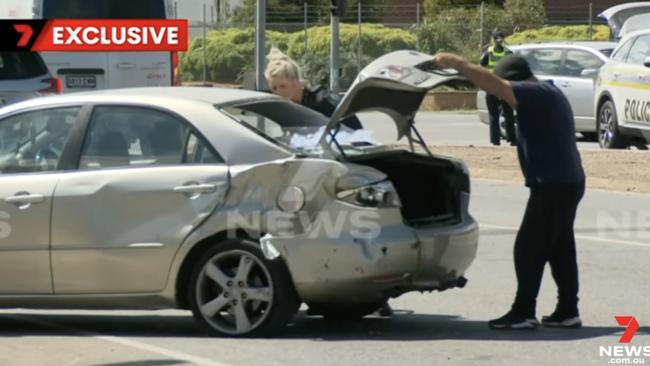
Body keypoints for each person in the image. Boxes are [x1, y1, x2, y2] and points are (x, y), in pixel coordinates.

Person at [432, 52, 586, 330]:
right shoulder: (548, 91)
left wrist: (458, 64)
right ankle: (567, 310)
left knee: (528, 247)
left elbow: (493, 84)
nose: (502, 98)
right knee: (559, 247)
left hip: (553, 185)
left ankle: (524, 311)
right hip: (565, 182)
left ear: (513, 80)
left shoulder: (533, 92)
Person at [264, 48, 363, 130]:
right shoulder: (285, 110)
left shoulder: (323, 101)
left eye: (282, 86)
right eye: (274, 88)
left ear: (297, 82)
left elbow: (354, 129)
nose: (278, 92)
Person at [480, 30, 517, 146]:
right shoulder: (509, 52)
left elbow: (481, 67)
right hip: (505, 87)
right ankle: (512, 139)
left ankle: (495, 141)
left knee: (494, 115)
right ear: (503, 39)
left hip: (492, 87)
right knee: (508, 114)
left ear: (493, 40)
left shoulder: (488, 53)